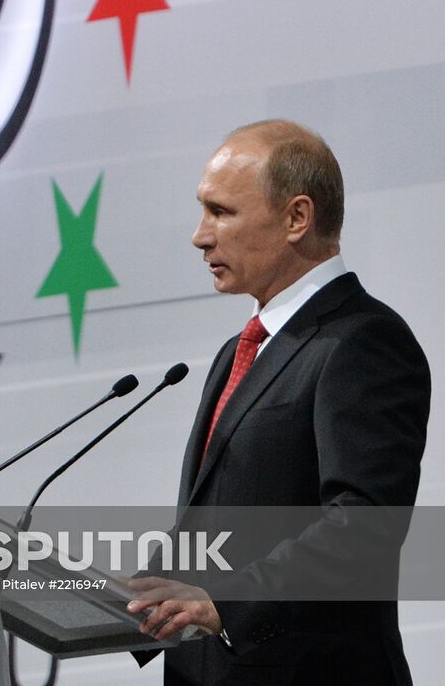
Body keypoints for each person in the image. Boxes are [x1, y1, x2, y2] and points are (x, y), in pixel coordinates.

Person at [128, 119, 430, 685]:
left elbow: (364, 526)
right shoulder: (236, 353)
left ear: (297, 218)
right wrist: (109, 602)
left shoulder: (361, 340)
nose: (200, 235)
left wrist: (230, 602)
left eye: (221, 211)